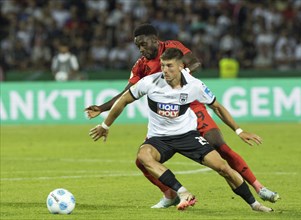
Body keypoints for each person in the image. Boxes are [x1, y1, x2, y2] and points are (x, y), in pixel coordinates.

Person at [85, 24, 279, 208]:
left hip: (191, 104)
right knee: (141, 161)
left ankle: (259, 188)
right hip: (169, 117)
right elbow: (127, 93)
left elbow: (195, 63)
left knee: (221, 147)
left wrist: (180, 78)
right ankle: (170, 194)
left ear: (154, 40)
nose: (140, 49)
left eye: (143, 44)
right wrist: (102, 108)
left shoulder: (172, 47)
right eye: (138, 46)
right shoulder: (141, 65)